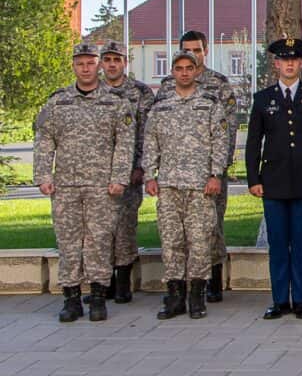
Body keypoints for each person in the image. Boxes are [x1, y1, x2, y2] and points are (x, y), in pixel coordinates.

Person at [34, 42, 135, 323]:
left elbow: (124, 145)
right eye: (80, 63)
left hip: (102, 187)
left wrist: (119, 179)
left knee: (99, 242)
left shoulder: (116, 103)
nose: (86, 68)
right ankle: (71, 298)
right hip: (66, 185)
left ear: (99, 65)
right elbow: (44, 140)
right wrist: (43, 175)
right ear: (73, 66)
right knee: (68, 243)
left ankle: (99, 297)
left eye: (91, 63)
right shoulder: (58, 102)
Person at [245, 38, 302, 320]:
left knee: (301, 243)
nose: (290, 64)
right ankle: (279, 300)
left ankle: (300, 300)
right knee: (278, 244)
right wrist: (253, 179)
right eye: (285, 60)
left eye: (294, 60)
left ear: (300, 63)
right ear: (276, 64)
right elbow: (252, 143)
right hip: (273, 183)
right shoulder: (263, 99)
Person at [143, 50, 229, 320]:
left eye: (188, 68)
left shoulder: (210, 104)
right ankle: (174, 295)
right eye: (178, 68)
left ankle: (197, 295)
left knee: (200, 241)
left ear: (195, 71)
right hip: (169, 185)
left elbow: (221, 141)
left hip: (200, 185)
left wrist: (216, 174)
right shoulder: (161, 107)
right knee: (171, 242)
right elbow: (150, 143)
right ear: (172, 72)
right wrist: (150, 175)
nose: (183, 72)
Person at [161, 30, 238, 303]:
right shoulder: (168, 86)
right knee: (176, 232)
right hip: (175, 175)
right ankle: (181, 286)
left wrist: (219, 169)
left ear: (205, 51)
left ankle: (212, 281)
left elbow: (227, 129)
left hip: (209, 173)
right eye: (187, 49)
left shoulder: (219, 84)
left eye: (197, 50)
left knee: (211, 227)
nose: (192, 54)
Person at [98, 40, 155, 304]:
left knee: (125, 227)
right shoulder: (91, 92)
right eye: (107, 60)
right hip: (95, 173)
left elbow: (148, 132)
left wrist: (141, 166)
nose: (112, 64)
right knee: (98, 230)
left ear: (125, 63)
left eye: (116, 59)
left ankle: (122, 284)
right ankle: (103, 283)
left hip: (130, 171)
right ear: (101, 63)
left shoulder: (141, 93)